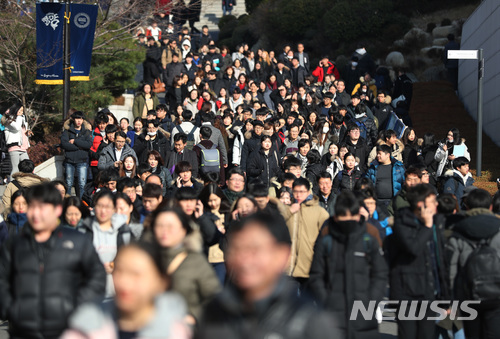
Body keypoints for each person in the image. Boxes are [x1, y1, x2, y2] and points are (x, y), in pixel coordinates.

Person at [196, 211, 341, 339]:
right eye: (237, 249)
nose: (244, 260)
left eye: (255, 249)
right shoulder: (214, 314)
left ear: (283, 255)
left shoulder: (309, 321)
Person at [0, 182, 106, 339]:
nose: (36, 214)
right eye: (32, 207)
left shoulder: (78, 242)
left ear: (57, 210)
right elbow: (2, 280)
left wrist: (75, 306)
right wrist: (11, 309)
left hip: (68, 330)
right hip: (23, 331)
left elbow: (97, 279)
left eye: (42, 208)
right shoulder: (15, 244)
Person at [61, 242, 191, 339]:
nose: (125, 283)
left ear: (161, 282)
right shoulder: (85, 329)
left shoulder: (175, 333)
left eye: (136, 274)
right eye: (119, 271)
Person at [309, 190, 388, 339]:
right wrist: (326, 300)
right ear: (336, 217)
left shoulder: (368, 240)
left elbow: (380, 273)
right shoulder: (326, 241)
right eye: (343, 216)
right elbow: (316, 275)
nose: (348, 220)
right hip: (333, 316)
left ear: (358, 216)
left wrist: (371, 300)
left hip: (363, 314)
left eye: (352, 215)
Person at [387, 184, 450, 339]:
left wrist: (446, 297)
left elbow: (440, 260)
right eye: (433, 201)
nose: (437, 204)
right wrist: (427, 226)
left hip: (428, 293)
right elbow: (413, 247)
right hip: (406, 294)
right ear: (421, 205)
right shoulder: (403, 222)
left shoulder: (437, 223)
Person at [144, 206, 221, 323]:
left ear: (183, 230)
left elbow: (214, 299)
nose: (165, 230)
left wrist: (194, 317)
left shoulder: (195, 261)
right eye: (160, 225)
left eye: (170, 226)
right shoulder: (144, 258)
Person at [446, 189, 500, 338]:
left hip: (467, 293)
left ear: (467, 206)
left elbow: (451, 268)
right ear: (490, 207)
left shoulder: (458, 230)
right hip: (496, 293)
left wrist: (451, 299)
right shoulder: (498, 228)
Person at [77, 190, 132, 298]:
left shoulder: (123, 230)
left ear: (113, 209)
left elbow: (130, 259)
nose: (103, 211)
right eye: (99, 206)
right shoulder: (85, 229)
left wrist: (115, 266)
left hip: (117, 291)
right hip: (90, 291)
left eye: (107, 207)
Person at [281, 178, 329, 289]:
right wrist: (289, 211)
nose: (298, 195)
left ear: (308, 192)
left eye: (301, 192)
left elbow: (327, 237)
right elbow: (274, 225)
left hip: (309, 266)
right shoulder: (287, 210)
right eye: (295, 192)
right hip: (288, 268)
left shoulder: (319, 212)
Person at [199, 183, 231, 284]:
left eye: (215, 200)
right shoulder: (202, 213)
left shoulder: (227, 213)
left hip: (221, 258)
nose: (213, 203)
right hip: (206, 258)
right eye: (210, 200)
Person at [61, 111, 93, 198]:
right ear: (73, 119)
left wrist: (75, 141)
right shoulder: (67, 131)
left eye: (81, 119)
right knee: (68, 183)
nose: (79, 121)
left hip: (82, 161)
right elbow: (64, 145)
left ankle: (81, 203)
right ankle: (66, 200)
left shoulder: (86, 132)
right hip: (69, 161)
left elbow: (89, 144)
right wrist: (79, 147)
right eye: (77, 118)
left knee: (82, 183)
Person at [365, 144, 406, 210]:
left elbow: (404, 183)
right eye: (377, 153)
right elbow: (366, 182)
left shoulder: (398, 167)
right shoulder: (373, 168)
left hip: (394, 201)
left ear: (388, 155)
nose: (377, 155)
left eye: (379, 154)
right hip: (377, 202)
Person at [1, 103, 31, 179]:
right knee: (15, 169)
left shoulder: (22, 119)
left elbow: (23, 133)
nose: (22, 112)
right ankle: (11, 187)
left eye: (22, 110)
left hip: (23, 146)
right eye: (20, 110)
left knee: (28, 167)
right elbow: (17, 128)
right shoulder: (9, 120)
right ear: (16, 110)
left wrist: (28, 133)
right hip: (14, 146)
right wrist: (19, 117)